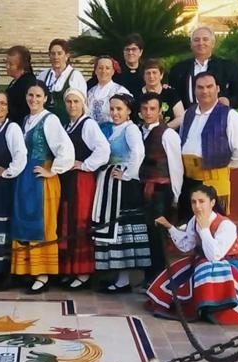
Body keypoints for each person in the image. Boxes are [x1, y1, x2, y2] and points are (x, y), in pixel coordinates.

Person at [148, 185, 238, 324]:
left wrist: (204, 229)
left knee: (205, 268)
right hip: (212, 263)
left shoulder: (226, 226)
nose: (197, 206)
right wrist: (169, 227)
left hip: (235, 267)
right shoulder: (194, 221)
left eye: (201, 201)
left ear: (212, 202)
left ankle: (217, 307)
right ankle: (199, 305)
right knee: (181, 268)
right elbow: (186, 246)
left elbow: (214, 256)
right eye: (194, 202)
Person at [11, 81, 75, 294]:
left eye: (38, 96)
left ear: (46, 98)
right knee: (25, 221)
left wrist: (52, 169)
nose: (34, 99)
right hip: (25, 178)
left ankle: (43, 274)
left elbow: (65, 149)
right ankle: (27, 270)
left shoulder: (50, 120)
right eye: (31, 95)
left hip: (42, 179)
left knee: (43, 223)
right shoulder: (27, 120)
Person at [92, 93, 150, 293]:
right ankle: (115, 275)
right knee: (112, 229)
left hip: (123, 185)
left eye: (119, 109)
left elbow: (138, 153)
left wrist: (126, 174)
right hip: (109, 182)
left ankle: (124, 279)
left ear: (129, 111)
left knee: (122, 229)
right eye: (113, 109)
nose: (115, 113)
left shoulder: (131, 129)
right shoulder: (110, 129)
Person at [177, 72, 238, 221]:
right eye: (200, 87)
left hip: (213, 180)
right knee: (188, 226)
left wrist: (221, 164)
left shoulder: (229, 115)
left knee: (212, 226)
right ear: (195, 90)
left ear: (217, 89)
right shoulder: (188, 114)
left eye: (209, 87)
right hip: (188, 180)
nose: (205, 91)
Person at [58, 88, 110, 290]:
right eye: (69, 102)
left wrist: (85, 164)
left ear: (83, 104)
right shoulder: (67, 125)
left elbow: (103, 149)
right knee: (67, 220)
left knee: (80, 220)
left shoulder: (88, 125)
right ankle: (69, 268)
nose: (72, 105)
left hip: (82, 180)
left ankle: (83, 270)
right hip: (68, 179)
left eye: (76, 102)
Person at [138, 92, 183, 291]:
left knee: (158, 236)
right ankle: (148, 277)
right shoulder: (138, 131)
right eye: (145, 108)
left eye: (152, 109)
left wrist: (176, 196)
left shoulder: (168, 134)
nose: (148, 113)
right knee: (146, 235)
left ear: (160, 110)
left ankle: (159, 279)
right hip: (142, 189)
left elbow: (176, 167)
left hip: (161, 191)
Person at [0, 91, 27, 291]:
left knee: (4, 227)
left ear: (8, 107)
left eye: (2, 103)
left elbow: (20, 155)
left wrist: (8, 172)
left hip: (5, 186)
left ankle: (6, 274)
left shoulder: (12, 128)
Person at [169, 25, 238, 110]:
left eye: (205, 39)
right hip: (187, 117)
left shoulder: (228, 67)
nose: (201, 43)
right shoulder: (178, 69)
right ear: (191, 45)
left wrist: (228, 101)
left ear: (213, 43)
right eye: (196, 40)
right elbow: (172, 96)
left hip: (218, 118)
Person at [37, 39, 87, 127]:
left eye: (59, 53)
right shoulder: (43, 76)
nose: (56, 57)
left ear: (67, 56)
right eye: (53, 54)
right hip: (44, 124)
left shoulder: (75, 76)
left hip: (66, 124)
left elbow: (81, 105)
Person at [87, 56, 130, 137]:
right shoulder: (90, 92)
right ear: (95, 71)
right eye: (100, 68)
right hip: (92, 134)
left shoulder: (120, 91)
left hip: (113, 134)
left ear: (113, 71)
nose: (103, 71)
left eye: (107, 68)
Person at [140, 59, 184, 129]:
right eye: (148, 73)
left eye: (154, 73)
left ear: (161, 75)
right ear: (143, 76)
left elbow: (181, 117)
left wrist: (163, 129)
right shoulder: (137, 94)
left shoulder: (171, 93)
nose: (151, 76)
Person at [5, 45, 37, 127]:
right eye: (6, 63)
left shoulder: (27, 83)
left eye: (11, 64)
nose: (7, 66)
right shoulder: (16, 81)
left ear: (22, 66)